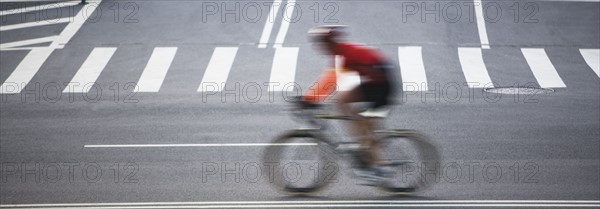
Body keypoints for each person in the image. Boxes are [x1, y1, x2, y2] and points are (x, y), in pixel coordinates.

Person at [299, 25, 399, 185]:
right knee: (341, 99)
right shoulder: (339, 51)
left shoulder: (344, 54)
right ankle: (361, 140)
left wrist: (308, 100)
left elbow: (330, 80)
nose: (319, 47)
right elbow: (330, 79)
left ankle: (381, 166)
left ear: (328, 44)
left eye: (321, 44)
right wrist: (310, 98)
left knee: (365, 127)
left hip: (384, 86)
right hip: (375, 82)